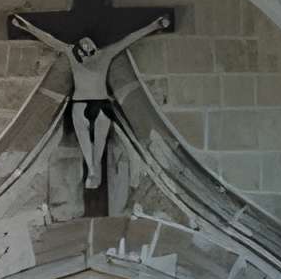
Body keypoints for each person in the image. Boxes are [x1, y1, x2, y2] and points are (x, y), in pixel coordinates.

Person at [11, 12, 171, 193]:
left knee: (100, 141)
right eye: (83, 44)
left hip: (102, 104)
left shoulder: (105, 55)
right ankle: (92, 170)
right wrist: (25, 26)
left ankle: (95, 167)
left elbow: (128, 39)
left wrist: (154, 26)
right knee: (84, 139)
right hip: (80, 104)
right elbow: (50, 40)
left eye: (88, 42)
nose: (86, 43)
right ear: (79, 49)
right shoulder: (72, 55)